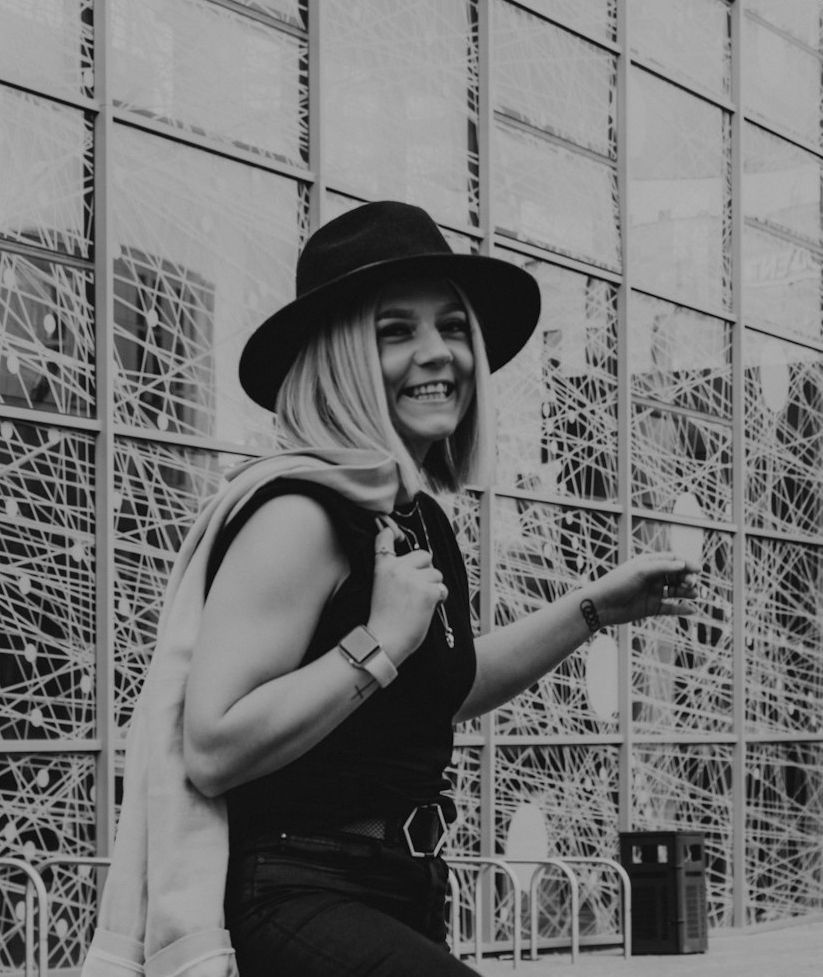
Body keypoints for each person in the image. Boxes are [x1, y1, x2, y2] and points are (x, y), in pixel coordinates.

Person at [180, 200, 699, 977]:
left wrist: (595, 609)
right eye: (397, 332)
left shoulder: (415, 517)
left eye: (453, 328)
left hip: (404, 888)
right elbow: (213, 745)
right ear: (342, 356)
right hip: (296, 891)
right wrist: (378, 643)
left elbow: (438, 689)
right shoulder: (300, 514)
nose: (439, 353)